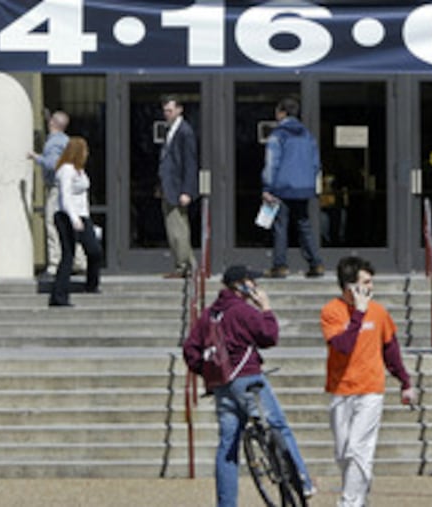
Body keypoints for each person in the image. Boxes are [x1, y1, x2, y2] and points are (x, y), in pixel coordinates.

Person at [183, 265, 315, 506]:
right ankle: (302, 481)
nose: (255, 285)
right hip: (248, 377)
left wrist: (205, 370)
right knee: (278, 425)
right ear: (240, 285)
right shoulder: (242, 310)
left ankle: (226, 503)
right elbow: (269, 336)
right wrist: (265, 308)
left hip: (221, 384)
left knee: (227, 445)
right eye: (251, 281)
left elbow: (190, 349)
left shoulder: (210, 314)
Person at [320, 256, 415, 506]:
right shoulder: (331, 311)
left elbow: (391, 350)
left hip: (371, 389)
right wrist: (358, 315)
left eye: (371, 282)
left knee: (359, 448)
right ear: (350, 286)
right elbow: (342, 346)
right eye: (366, 282)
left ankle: (349, 501)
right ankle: (360, 495)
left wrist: (405, 381)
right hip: (341, 389)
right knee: (343, 453)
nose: (371, 287)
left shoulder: (380, 312)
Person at [261, 97, 324, 279]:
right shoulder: (307, 135)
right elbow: (315, 164)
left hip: (281, 187)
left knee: (281, 226)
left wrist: (267, 187)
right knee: (304, 225)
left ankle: (280, 266)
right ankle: (316, 263)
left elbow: (272, 163)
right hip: (303, 187)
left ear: (282, 113)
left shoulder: (278, 135)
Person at [28, 110, 87, 276]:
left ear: (52, 123)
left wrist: (36, 157)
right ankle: (79, 261)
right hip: (67, 188)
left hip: (56, 188)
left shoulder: (53, 142)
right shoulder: (66, 141)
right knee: (71, 225)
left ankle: (55, 263)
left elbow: (54, 164)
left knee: (52, 224)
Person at [49, 137, 102, 307]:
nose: (87, 153)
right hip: (66, 216)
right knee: (68, 255)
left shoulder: (80, 171)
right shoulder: (66, 170)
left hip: (82, 215)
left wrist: (85, 219)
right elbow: (65, 196)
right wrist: (74, 218)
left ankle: (92, 284)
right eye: (84, 150)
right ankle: (59, 296)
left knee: (94, 251)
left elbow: (82, 197)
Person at [158, 95, 198, 278]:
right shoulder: (171, 130)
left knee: (177, 228)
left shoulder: (185, 132)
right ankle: (188, 263)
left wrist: (187, 190)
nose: (167, 114)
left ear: (180, 109)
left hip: (177, 188)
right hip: (169, 186)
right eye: (165, 110)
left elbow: (190, 163)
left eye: (170, 110)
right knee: (175, 226)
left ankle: (183, 265)